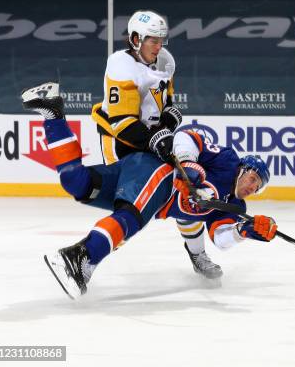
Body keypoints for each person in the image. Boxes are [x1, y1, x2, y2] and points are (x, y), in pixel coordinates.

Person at [22, 82, 278, 299]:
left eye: (258, 187)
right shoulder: (228, 161)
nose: (252, 187)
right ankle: (79, 257)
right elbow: (188, 137)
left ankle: (54, 115)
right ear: (244, 169)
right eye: (253, 178)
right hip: (157, 172)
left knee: (78, 184)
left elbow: (221, 239)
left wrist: (243, 231)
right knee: (131, 217)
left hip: (141, 178)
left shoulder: (235, 207)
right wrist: (188, 164)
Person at [91, 9, 222, 280]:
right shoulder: (120, 64)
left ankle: (197, 253)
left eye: (161, 39)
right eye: (153, 40)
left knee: (186, 192)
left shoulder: (164, 61)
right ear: (136, 38)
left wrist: (168, 122)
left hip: (152, 141)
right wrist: (157, 137)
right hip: (120, 144)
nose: (159, 45)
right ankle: (89, 258)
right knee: (130, 210)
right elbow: (122, 123)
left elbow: (166, 106)